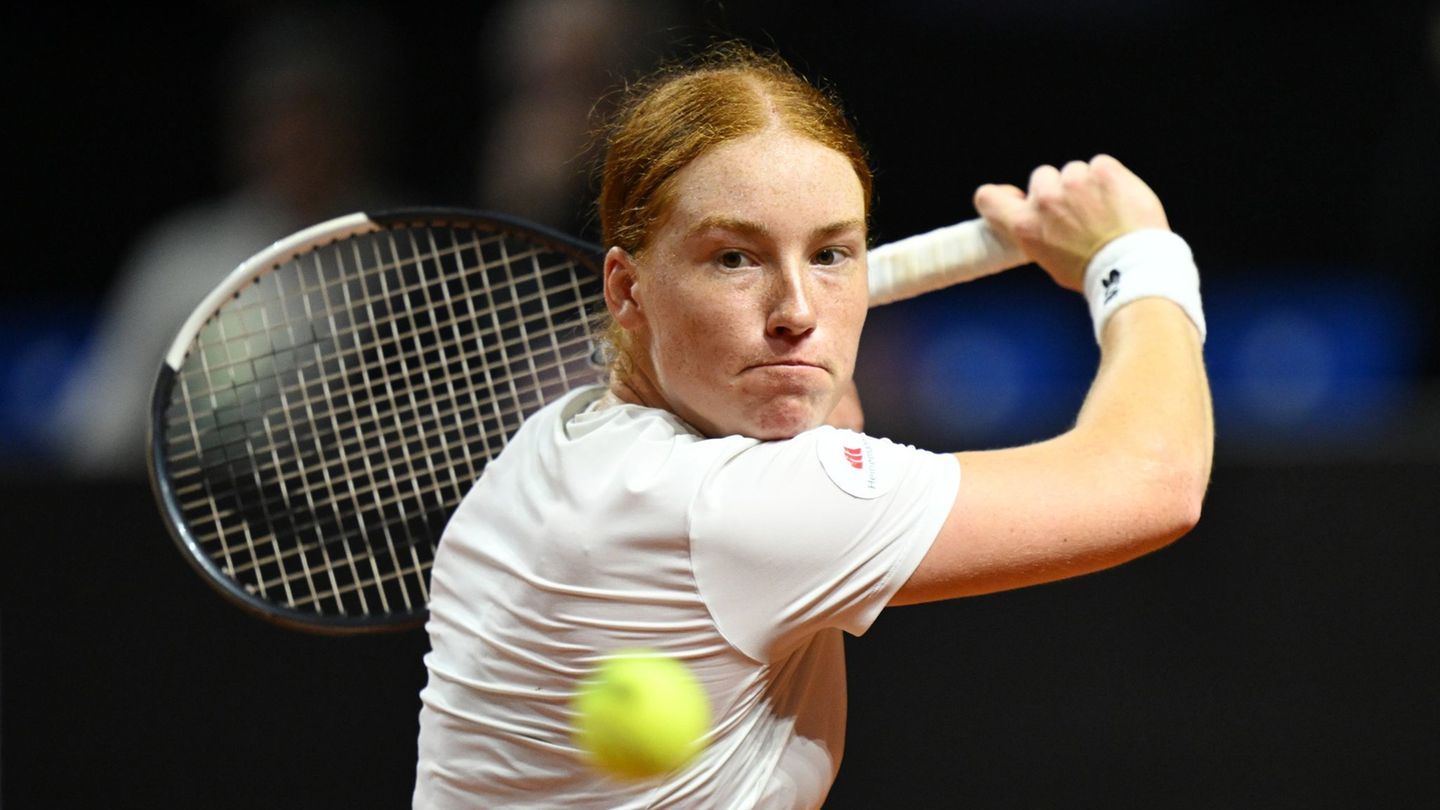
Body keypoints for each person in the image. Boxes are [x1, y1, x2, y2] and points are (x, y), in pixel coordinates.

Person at [413, 44, 1212, 809]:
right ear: (627, 289)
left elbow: (832, 427)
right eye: (734, 259)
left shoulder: (558, 441)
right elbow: (1153, 481)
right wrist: (1134, 252)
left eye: (832, 255)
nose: (796, 312)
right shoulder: (729, 505)